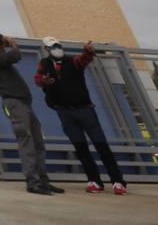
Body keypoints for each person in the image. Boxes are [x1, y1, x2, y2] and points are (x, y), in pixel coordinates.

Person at [35, 36, 127, 195]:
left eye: (58, 45)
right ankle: (94, 181)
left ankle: (118, 181)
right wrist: (44, 81)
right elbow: (38, 79)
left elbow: (84, 60)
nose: (56, 48)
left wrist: (88, 52)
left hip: (84, 109)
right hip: (64, 111)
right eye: (52, 46)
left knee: (101, 145)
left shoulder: (73, 61)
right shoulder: (44, 64)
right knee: (81, 148)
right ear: (46, 49)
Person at [0, 33, 60, 195]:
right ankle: (32, 183)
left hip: (24, 104)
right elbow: (15, 56)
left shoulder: (1, 59)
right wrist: (13, 44)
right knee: (26, 141)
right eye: (3, 42)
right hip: (14, 103)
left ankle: (43, 181)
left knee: (38, 142)